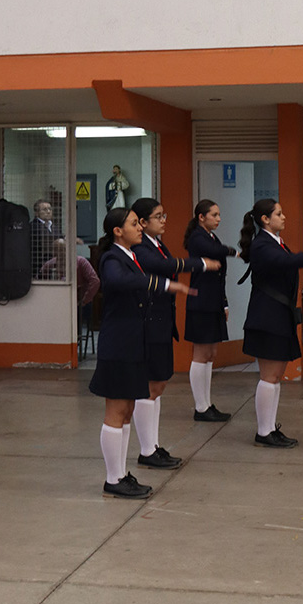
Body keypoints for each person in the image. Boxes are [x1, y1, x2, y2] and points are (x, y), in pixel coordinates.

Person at [90, 206, 193, 498]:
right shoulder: (112, 257)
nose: (139, 228)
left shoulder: (131, 256)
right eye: (134, 224)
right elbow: (117, 281)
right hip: (118, 345)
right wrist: (159, 282)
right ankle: (113, 479)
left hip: (133, 343)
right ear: (117, 231)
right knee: (116, 411)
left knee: (126, 411)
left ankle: (121, 474)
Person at [239, 199, 303, 447]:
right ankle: (263, 432)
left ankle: (269, 428)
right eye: (279, 213)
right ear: (265, 219)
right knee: (269, 376)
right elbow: (290, 261)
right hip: (267, 317)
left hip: (277, 315)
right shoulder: (262, 245)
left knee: (276, 376)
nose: (284, 217)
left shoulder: (274, 242)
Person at [131, 197, 221, 469]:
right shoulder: (141, 247)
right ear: (143, 222)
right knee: (149, 387)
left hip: (162, 320)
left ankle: (154, 445)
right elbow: (163, 267)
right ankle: (147, 450)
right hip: (149, 322)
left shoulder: (158, 244)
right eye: (158, 216)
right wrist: (200, 264)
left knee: (158, 386)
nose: (163, 221)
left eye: (164, 215)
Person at [183, 199, 238, 422]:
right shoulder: (198, 238)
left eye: (219, 214)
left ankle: (207, 404)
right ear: (201, 217)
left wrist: (224, 303)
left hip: (213, 301)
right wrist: (234, 251)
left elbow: (220, 276)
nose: (218, 219)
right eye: (214, 215)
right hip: (201, 302)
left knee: (211, 354)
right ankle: (201, 407)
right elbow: (215, 251)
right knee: (201, 353)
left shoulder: (211, 237)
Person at [31, 199, 65, 279]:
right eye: (44, 209)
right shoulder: (32, 227)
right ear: (37, 213)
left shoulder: (55, 227)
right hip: (39, 267)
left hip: (56, 266)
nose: (48, 211)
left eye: (50, 209)